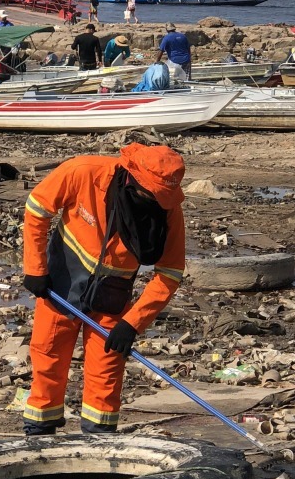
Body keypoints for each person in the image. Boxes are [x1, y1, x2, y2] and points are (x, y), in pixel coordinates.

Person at [20, 143, 186, 434]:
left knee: (106, 370)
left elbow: (169, 274)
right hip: (60, 283)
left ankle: (99, 440)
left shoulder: (168, 210)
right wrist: (35, 269)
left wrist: (132, 324)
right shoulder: (83, 171)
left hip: (112, 294)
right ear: (131, 176)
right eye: (150, 194)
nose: (155, 202)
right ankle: (39, 432)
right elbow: (37, 208)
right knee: (48, 357)